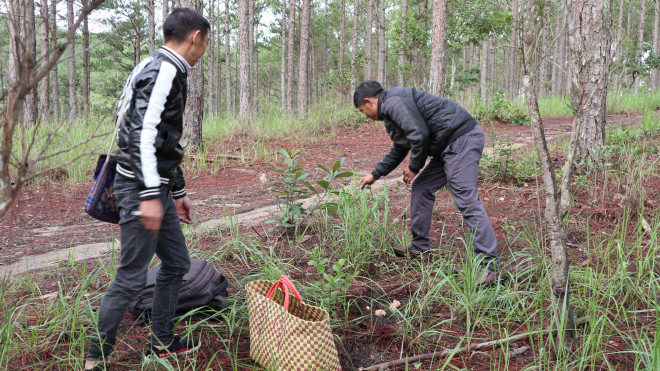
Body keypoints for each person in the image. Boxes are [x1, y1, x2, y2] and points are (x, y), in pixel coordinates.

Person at [82, 8, 210, 371]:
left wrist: (177, 190)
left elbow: (164, 140)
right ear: (196, 36)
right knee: (131, 275)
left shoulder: (152, 64)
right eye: (206, 43)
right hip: (142, 187)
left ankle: (163, 342)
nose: (204, 51)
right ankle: (95, 358)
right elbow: (140, 136)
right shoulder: (165, 70)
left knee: (177, 262)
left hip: (154, 184)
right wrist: (152, 195)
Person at [354, 80, 500, 284]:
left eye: (363, 110)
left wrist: (414, 167)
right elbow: (400, 147)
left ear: (368, 101)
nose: (366, 117)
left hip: (462, 138)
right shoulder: (391, 112)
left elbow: (419, 134)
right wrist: (376, 174)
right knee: (422, 187)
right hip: (448, 145)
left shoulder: (393, 103)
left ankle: (489, 267)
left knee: (466, 199)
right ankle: (419, 248)